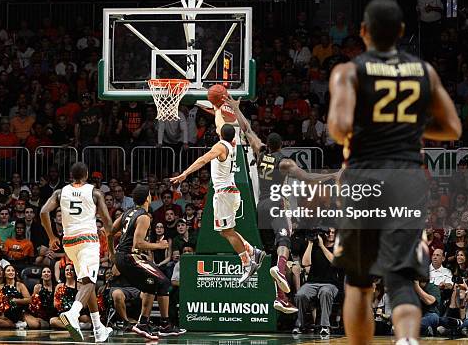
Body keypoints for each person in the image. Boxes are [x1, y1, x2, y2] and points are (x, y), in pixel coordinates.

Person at [327, 0, 461, 345]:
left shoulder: (349, 71)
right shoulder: (424, 71)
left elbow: (339, 127)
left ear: (363, 32)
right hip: (406, 179)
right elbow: (452, 129)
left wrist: (373, 124)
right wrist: (408, 124)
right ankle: (407, 340)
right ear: (401, 32)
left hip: (364, 177)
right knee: (401, 276)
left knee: (359, 278)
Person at [224, 95, 341, 313]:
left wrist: (236, 109)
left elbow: (247, 129)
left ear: (268, 144)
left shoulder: (260, 152)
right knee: (284, 242)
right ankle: (279, 270)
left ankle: (280, 297)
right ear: (281, 147)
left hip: (262, 208)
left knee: (274, 249)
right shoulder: (284, 162)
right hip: (277, 205)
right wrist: (333, 175)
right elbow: (308, 177)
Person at [170, 106, 265, 285]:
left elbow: (203, 159)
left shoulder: (220, 146)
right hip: (230, 192)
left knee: (227, 232)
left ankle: (247, 263)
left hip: (224, 194)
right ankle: (253, 252)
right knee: (224, 232)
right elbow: (220, 122)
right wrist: (216, 109)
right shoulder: (233, 142)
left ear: (220, 134)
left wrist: (185, 173)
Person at [40, 161, 113, 342]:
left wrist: (51, 237)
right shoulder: (95, 192)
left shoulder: (59, 192)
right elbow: (108, 223)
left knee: (87, 283)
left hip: (69, 242)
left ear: (71, 176)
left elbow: (43, 212)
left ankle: (98, 329)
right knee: (89, 282)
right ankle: (73, 313)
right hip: (87, 240)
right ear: (87, 175)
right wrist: (111, 247)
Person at [111, 185, 186, 340]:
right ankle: (163, 324)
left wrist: (113, 254)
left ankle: (145, 323)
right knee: (165, 282)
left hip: (122, 256)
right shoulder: (144, 216)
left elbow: (110, 231)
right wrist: (160, 245)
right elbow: (137, 244)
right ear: (148, 198)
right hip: (130, 256)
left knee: (152, 283)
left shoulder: (127, 212)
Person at [293, 229, 341, 337]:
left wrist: (322, 246)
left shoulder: (337, 248)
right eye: (328, 232)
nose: (330, 234)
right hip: (312, 283)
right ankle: (300, 324)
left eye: (333, 232)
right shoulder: (314, 247)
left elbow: (335, 262)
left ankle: (324, 326)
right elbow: (305, 263)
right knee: (300, 294)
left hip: (330, 284)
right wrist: (310, 243)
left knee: (325, 292)